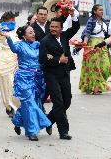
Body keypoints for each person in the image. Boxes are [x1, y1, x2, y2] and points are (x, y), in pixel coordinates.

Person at [2, 25, 51, 141]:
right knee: (29, 103)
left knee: (33, 102)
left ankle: (18, 121)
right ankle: (32, 131)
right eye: (30, 33)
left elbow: (45, 51)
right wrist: (8, 37)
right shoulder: (20, 45)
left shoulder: (38, 45)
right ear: (24, 36)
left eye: (33, 32)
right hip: (24, 77)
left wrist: (48, 55)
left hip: (37, 78)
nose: (33, 34)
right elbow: (13, 49)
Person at [39, 8, 80, 140]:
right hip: (51, 74)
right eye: (52, 27)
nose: (54, 29)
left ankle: (48, 120)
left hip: (64, 73)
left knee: (67, 101)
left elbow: (76, 27)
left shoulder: (64, 36)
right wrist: (58, 60)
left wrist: (73, 15)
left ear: (61, 29)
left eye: (56, 27)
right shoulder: (45, 41)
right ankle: (64, 132)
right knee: (58, 102)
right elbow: (42, 59)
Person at [0, 11, 20, 118]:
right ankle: (8, 106)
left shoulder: (16, 30)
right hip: (5, 58)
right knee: (6, 84)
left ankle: (16, 105)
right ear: (6, 20)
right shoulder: (0, 29)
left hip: (16, 59)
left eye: (14, 20)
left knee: (15, 84)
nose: (13, 22)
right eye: (11, 20)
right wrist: (0, 30)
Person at [79, 4, 111, 94]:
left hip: (103, 45)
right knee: (94, 67)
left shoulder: (104, 21)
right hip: (93, 45)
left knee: (107, 67)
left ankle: (97, 84)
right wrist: (85, 44)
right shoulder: (91, 20)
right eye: (100, 10)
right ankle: (95, 87)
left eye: (102, 10)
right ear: (95, 11)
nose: (102, 11)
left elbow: (107, 35)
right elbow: (87, 32)